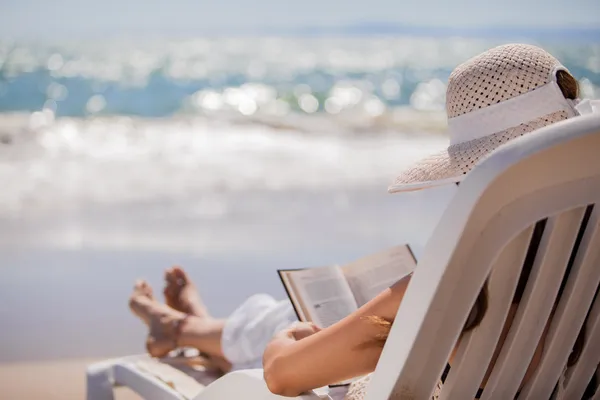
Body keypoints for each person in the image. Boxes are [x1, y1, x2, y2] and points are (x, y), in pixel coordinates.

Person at [129, 44, 594, 398]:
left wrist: (278, 346)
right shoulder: (585, 279)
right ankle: (189, 326)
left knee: (288, 321)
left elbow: (283, 375)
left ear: (477, 183)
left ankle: (179, 328)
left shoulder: (457, 292)